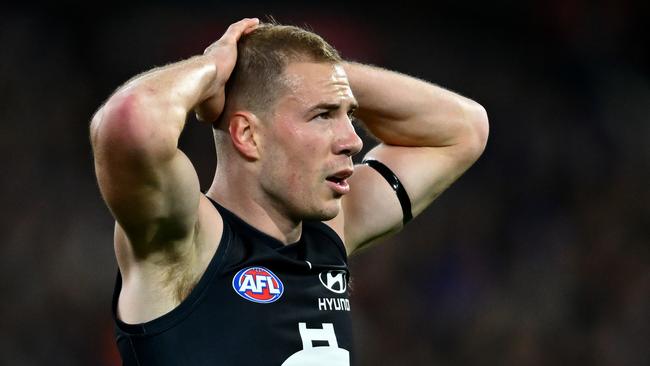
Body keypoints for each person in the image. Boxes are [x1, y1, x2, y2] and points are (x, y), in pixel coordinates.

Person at [90, 17, 489, 365]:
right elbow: (130, 121)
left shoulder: (331, 230)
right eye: (322, 115)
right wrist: (215, 68)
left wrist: (319, 76)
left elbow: (464, 128)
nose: (353, 140)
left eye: (347, 115)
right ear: (247, 135)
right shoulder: (187, 243)